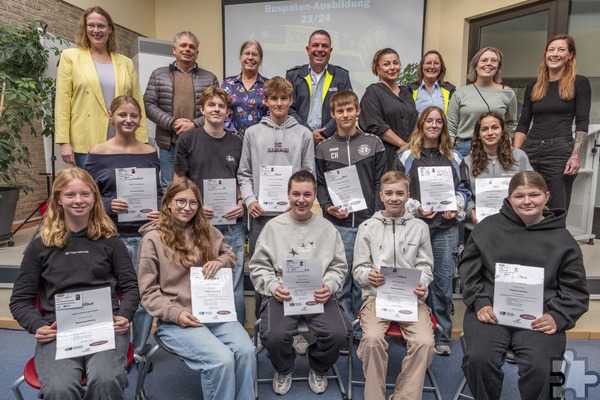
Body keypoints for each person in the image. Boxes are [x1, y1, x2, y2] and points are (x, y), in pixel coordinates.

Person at [9, 167, 140, 400]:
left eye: (85, 194)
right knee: (59, 388)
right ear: (58, 199)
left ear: (94, 198)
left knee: (106, 380)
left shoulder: (110, 241)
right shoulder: (41, 245)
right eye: (70, 195)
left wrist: (126, 314)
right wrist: (36, 325)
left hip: (105, 327)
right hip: (58, 331)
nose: (78, 200)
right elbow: (20, 300)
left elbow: (130, 288)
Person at [459, 171, 589, 400]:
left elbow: (575, 291)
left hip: (540, 316)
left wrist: (558, 316)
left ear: (547, 196)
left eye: (534, 194)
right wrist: (480, 301)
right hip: (491, 313)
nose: (527, 201)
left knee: (543, 368)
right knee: (479, 360)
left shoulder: (563, 240)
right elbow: (469, 272)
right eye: (519, 196)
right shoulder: (487, 228)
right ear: (509, 198)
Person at [137, 177, 255, 400]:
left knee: (246, 351)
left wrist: (220, 261)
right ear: (169, 202)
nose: (187, 208)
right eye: (181, 201)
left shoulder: (207, 231)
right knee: (221, 360)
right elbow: (148, 293)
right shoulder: (152, 239)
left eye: (193, 203)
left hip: (213, 312)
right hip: (177, 319)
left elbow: (230, 254)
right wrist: (176, 314)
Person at [249, 170, 351, 396]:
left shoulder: (327, 228)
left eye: (307, 194)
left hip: (318, 295)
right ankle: (284, 368)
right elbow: (258, 267)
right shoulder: (273, 227)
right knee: (274, 336)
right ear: (288, 195)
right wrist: (274, 287)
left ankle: (319, 366)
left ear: (315, 195)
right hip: (282, 295)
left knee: (340, 333)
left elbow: (338, 266)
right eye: (296, 194)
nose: (301, 200)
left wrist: (330, 285)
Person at [85, 95, 161, 357]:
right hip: (109, 235)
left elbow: (158, 191)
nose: (128, 120)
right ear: (111, 116)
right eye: (123, 115)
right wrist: (108, 204)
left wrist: (159, 209)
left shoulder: (150, 152)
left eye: (134, 115)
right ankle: (112, 350)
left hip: (144, 235)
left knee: (142, 296)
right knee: (111, 293)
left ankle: (137, 351)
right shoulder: (97, 152)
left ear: (140, 119)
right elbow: (87, 196)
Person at [353, 170, 435, 400]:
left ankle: (404, 396)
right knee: (371, 340)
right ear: (381, 195)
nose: (394, 198)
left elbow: (426, 266)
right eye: (389, 193)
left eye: (400, 193)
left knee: (425, 342)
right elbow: (358, 267)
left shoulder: (420, 227)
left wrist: (422, 284)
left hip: (411, 299)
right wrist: (369, 275)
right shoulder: (368, 227)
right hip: (376, 298)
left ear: (408, 195)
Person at [395, 106, 470, 356]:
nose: (434, 125)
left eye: (439, 121)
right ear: (421, 124)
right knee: (412, 282)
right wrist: (415, 208)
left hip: (446, 229)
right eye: (429, 121)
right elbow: (397, 189)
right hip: (414, 228)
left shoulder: (454, 156)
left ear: (444, 127)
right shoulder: (406, 156)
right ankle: (413, 331)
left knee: (442, 282)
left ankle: (441, 336)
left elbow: (466, 190)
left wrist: (455, 206)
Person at [315, 90, 386, 343]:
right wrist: (326, 207)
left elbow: (380, 182)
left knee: (365, 281)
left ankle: (362, 330)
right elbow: (320, 185)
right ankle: (345, 329)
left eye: (349, 110)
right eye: (340, 111)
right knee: (342, 280)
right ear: (333, 114)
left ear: (358, 111)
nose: (345, 115)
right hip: (339, 225)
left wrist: (376, 216)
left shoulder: (374, 143)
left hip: (368, 224)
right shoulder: (323, 148)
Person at [174, 86, 246, 325]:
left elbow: (242, 179)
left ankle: (236, 334)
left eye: (221, 106)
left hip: (231, 226)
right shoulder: (187, 139)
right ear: (202, 109)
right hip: (196, 224)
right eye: (211, 105)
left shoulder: (238, 143)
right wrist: (192, 206)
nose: (216, 109)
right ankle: (201, 331)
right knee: (197, 280)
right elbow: (179, 182)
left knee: (233, 284)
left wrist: (241, 202)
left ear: (228, 112)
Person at [55, 6, 147, 168]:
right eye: (91, 25)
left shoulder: (125, 62)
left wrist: (142, 139)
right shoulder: (70, 57)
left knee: (122, 189)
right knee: (91, 190)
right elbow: (62, 102)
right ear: (85, 28)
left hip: (123, 140)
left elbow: (137, 101)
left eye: (101, 26)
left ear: (110, 29)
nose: (96, 30)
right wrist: (64, 142)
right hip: (85, 139)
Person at [513, 34, 591, 211]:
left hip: (559, 151)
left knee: (556, 206)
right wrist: (516, 153)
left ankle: (553, 239)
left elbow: (582, 122)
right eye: (551, 49)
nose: (555, 54)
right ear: (545, 54)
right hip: (530, 149)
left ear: (570, 55)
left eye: (561, 49)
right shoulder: (533, 87)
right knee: (526, 202)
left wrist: (575, 155)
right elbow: (524, 123)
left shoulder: (579, 83)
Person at [144, 31, 219, 191]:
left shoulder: (210, 78)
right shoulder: (158, 75)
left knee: (199, 188)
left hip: (199, 143)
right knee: (170, 189)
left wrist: (194, 124)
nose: (187, 49)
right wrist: (172, 123)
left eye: (192, 47)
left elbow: (216, 108)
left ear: (197, 53)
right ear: (174, 50)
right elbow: (149, 105)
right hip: (169, 145)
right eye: (183, 45)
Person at [464, 112, 532, 233]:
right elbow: (464, 191)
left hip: (513, 226)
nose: (490, 133)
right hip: (478, 227)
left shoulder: (519, 156)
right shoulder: (467, 161)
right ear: (478, 135)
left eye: (495, 127)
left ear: (502, 131)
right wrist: (471, 209)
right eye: (484, 129)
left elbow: (531, 187)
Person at [446, 46, 517, 157]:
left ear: (498, 67)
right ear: (475, 66)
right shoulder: (460, 93)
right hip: (465, 148)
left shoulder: (508, 93)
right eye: (484, 60)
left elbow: (511, 122)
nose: (489, 63)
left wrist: (501, 139)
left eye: (494, 61)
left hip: (497, 147)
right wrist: (449, 150)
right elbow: (451, 125)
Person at [286, 29, 353, 144]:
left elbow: (347, 107)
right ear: (308, 49)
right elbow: (289, 109)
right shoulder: (293, 75)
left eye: (325, 46)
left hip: (333, 140)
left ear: (330, 50)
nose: (320, 50)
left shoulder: (342, 76)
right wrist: (307, 132)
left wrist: (324, 133)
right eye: (315, 45)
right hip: (299, 140)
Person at [359, 48, 419, 171]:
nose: (392, 67)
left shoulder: (406, 93)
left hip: (410, 155)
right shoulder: (373, 92)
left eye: (395, 63)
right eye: (386, 64)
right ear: (378, 69)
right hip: (386, 157)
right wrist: (404, 146)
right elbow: (376, 126)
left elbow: (414, 122)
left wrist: (413, 147)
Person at [221, 40, 269, 137]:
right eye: (247, 53)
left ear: (260, 60)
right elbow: (222, 112)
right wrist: (236, 136)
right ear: (240, 58)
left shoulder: (269, 85)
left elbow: (271, 114)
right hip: (232, 141)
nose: (250, 57)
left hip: (261, 140)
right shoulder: (228, 84)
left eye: (255, 54)